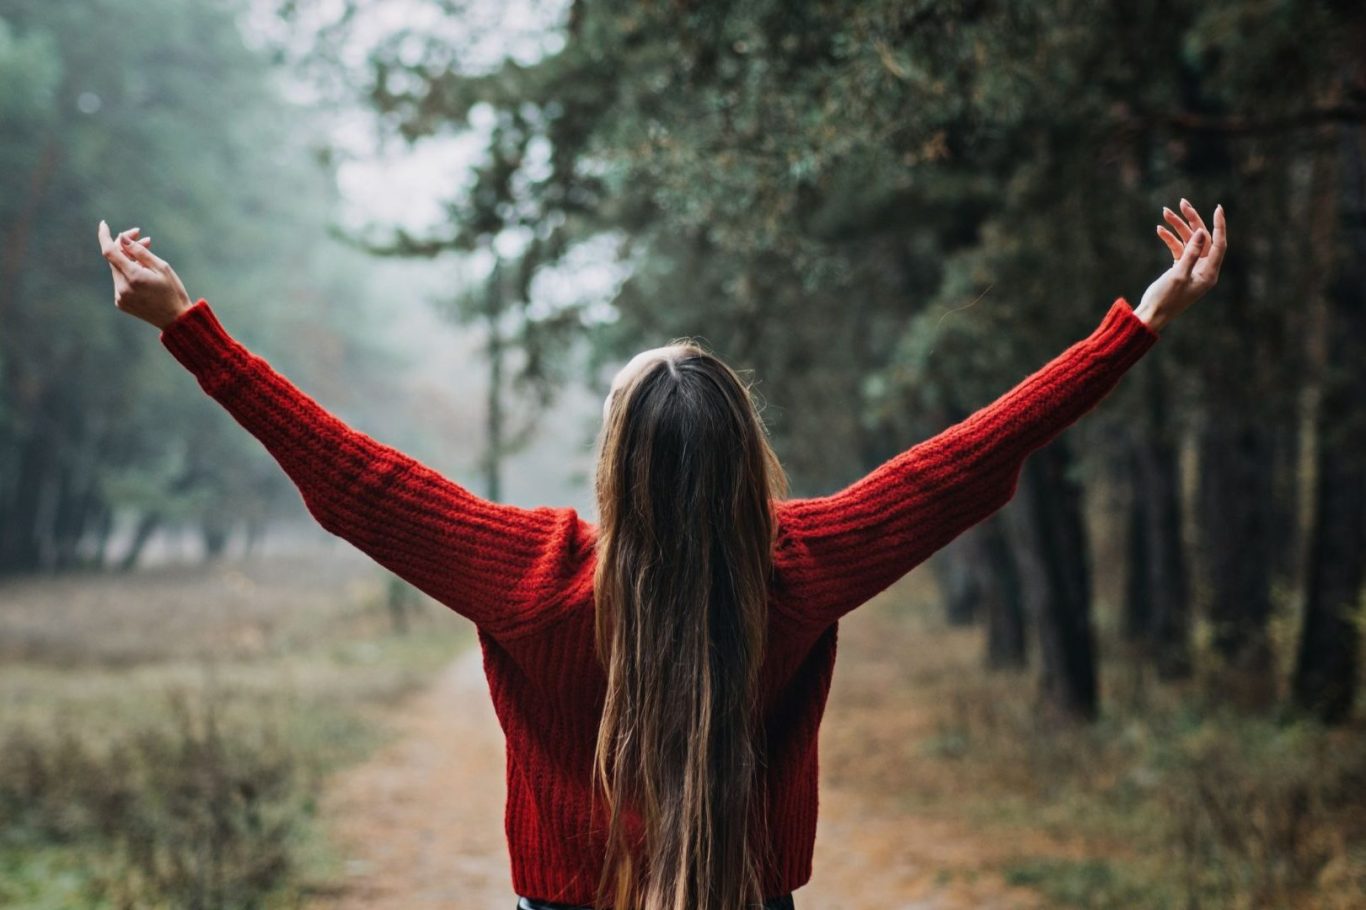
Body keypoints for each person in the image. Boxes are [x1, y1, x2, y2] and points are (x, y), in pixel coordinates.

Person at [96, 199, 1226, 910]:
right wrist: (1135, 328)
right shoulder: (797, 564)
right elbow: (964, 458)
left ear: (614, 462)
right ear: (744, 459)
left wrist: (192, 327)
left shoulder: (530, 576)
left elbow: (353, 478)